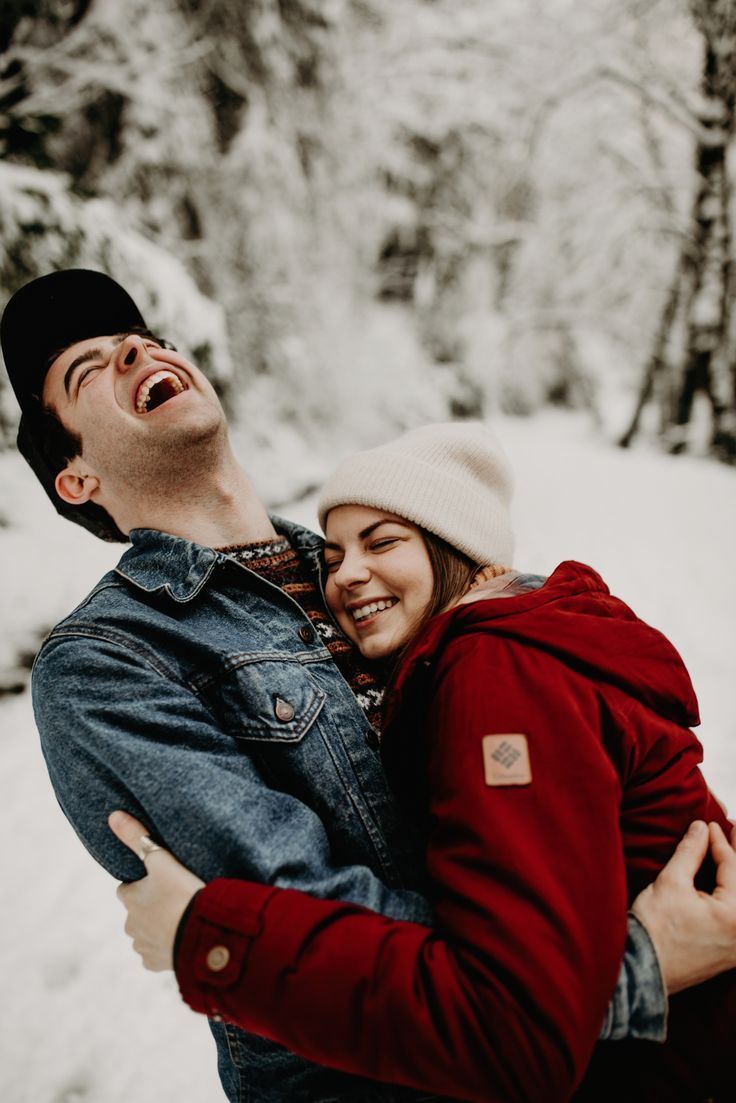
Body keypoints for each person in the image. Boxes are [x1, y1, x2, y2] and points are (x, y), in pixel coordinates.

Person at [0, 271, 727, 1102]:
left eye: (149, 338)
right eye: (87, 369)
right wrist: (630, 971)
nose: (140, 348)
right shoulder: (107, 664)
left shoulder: (367, 569)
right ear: (76, 478)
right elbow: (295, 913)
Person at [108, 424, 736, 1103]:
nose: (346, 573)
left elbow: (514, 1036)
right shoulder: (523, 639)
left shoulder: (496, 669)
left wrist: (210, 939)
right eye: (334, 553)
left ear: (455, 548)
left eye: (383, 541)